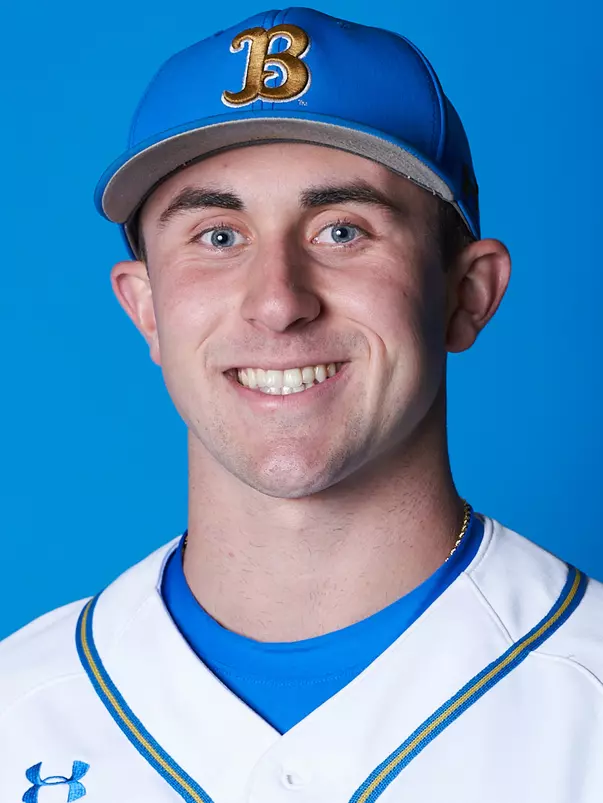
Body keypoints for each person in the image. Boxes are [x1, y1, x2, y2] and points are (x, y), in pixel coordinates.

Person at [2, 7, 602, 802]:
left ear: (467, 293)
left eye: (341, 230)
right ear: (145, 309)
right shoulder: (20, 710)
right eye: (217, 236)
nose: (278, 302)